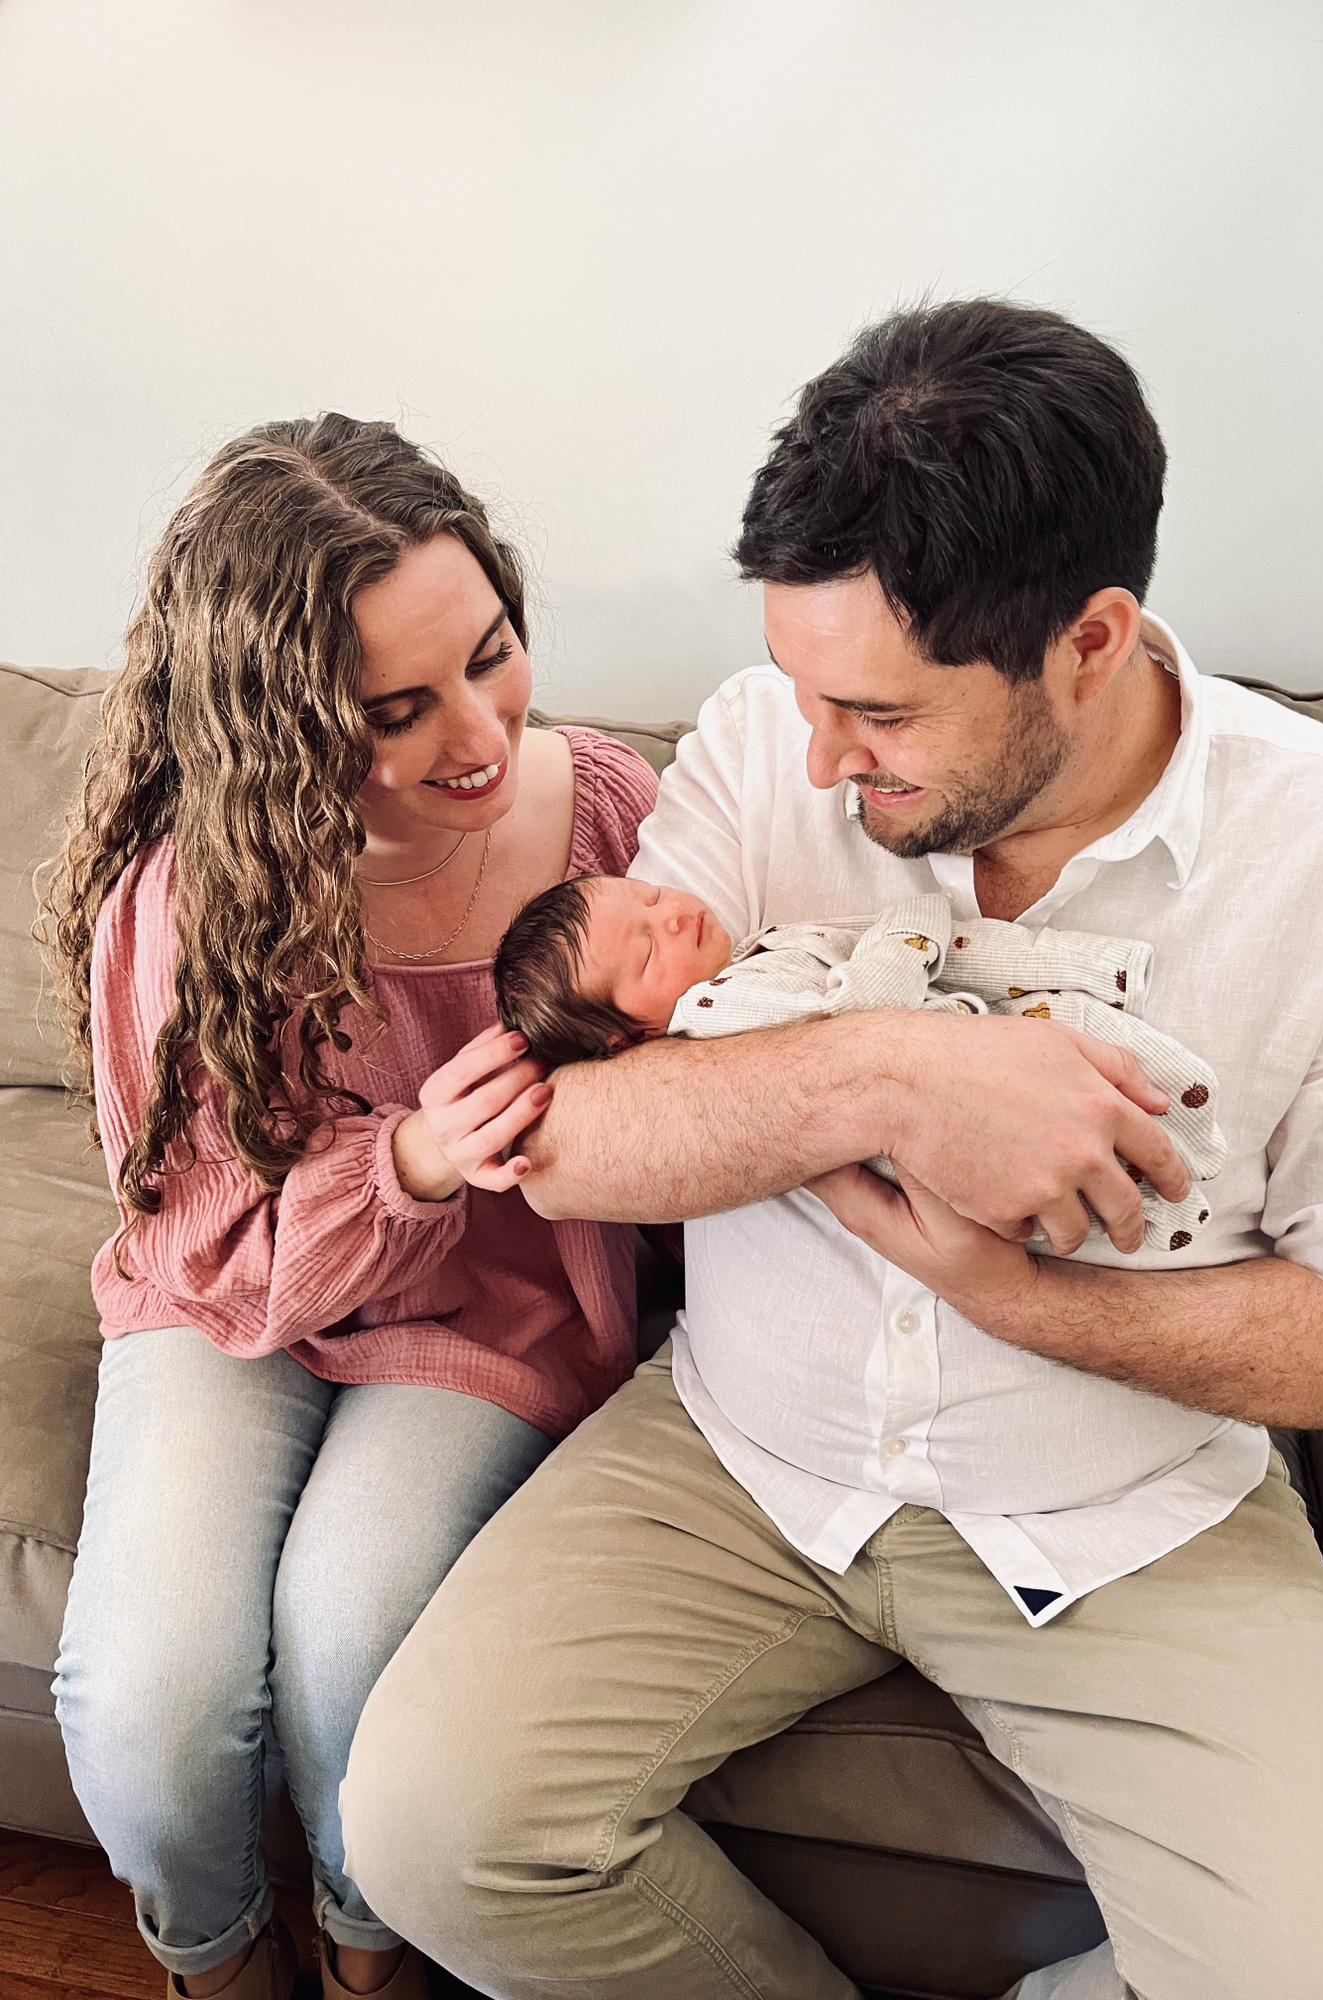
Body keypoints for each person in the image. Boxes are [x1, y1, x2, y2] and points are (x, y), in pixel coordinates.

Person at [341, 301, 1323, 1999]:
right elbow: (564, 1143)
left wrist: (1016, 1300)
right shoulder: (755, 754)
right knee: (427, 1833)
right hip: (739, 1459)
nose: (814, 759)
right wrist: (892, 1075)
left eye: (876, 713)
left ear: (1088, 638)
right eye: (797, 690)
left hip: (1123, 1503)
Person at [40, 415, 657, 2000]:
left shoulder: (603, 814)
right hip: (234, 1300)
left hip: (493, 1310)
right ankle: (220, 1965)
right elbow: (197, 1233)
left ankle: (370, 1956)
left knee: (346, 1644)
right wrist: (404, 1167)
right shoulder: (199, 885)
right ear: (280, 733)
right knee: (153, 1705)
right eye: (396, 710)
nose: (477, 732)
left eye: (493, 654)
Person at [493, 875, 1224, 1252]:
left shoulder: (753, 953)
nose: (674, 916)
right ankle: (1175, 1183)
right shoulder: (718, 1013)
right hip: (934, 1121)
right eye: (648, 950)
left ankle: (1178, 1161)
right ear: (630, 1037)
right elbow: (859, 1021)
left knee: (1100, 1086)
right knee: (1087, 1124)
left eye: (650, 898)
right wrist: (909, 929)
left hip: (960, 1050)